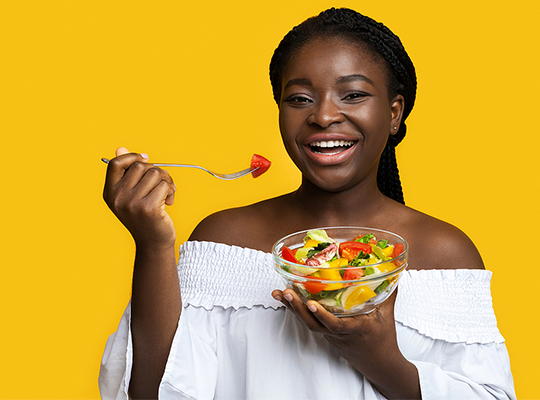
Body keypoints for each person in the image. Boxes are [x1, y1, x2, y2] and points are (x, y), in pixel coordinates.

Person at [99, 7, 515, 399]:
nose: (323, 116)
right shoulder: (224, 239)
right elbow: (152, 392)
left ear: (394, 113)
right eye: (299, 98)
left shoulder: (444, 253)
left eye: (352, 95)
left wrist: (379, 356)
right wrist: (153, 244)